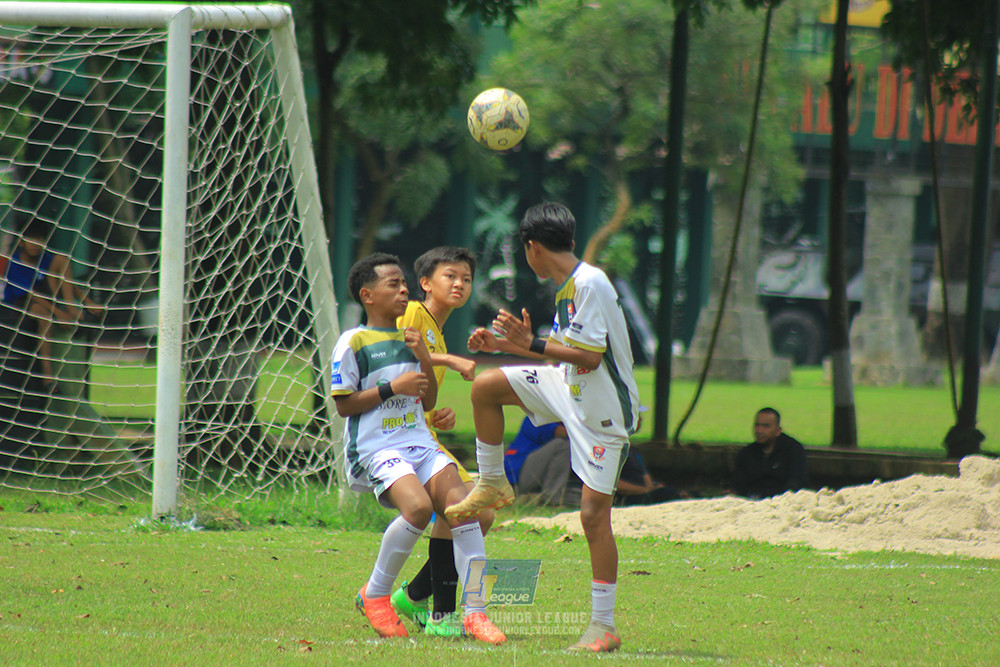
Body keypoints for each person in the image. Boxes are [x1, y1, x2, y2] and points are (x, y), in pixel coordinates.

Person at [445, 202, 640, 653]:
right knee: (487, 386)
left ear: (533, 248)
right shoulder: (567, 287)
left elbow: (590, 357)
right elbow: (563, 353)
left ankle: (604, 626)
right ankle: (492, 482)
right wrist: (505, 346)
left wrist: (528, 341)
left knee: (593, 517)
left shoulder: (590, 283)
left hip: (603, 412)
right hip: (567, 386)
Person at [331, 253, 504, 644]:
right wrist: (393, 387)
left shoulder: (413, 339)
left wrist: (424, 359)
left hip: (419, 442)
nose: (403, 291)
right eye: (393, 284)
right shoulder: (353, 342)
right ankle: (376, 594)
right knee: (419, 508)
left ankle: (476, 613)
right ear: (367, 295)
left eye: (403, 284)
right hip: (378, 447)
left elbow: (427, 400)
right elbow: (343, 405)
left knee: (467, 510)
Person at [388, 246, 495, 638]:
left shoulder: (438, 331)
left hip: (422, 432)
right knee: (467, 512)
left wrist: (434, 416)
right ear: (426, 283)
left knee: (480, 515)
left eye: (466, 278)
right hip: (402, 439)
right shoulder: (415, 312)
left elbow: (416, 388)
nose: (459, 284)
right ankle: (442, 615)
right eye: (450, 276)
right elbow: (397, 353)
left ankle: (413, 597)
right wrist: (449, 361)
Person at [1, 218, 102, 385]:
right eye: (31, 239)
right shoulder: (15, 264)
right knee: (42, 314)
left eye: (40, 239)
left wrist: (87, 301)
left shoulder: (45, 259)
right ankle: (48, 377)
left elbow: (65, 280)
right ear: (20, 241)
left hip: (48, 299)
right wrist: (58, 313)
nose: (35, 243)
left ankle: (73, 311)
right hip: (21, 304)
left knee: (61, 260)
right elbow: (30, 295)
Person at [730, 407, 808, 500]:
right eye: (757, 425)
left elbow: (796, 482)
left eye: (766, 426)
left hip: (782, 501)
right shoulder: (746, 453)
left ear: (778, 431)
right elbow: (738, 485)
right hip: (752, 501)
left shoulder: (793, 450)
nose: (759, 431)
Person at [504, 417, 575, 506]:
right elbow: (561, 432)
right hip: (516, 478)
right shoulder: (535, 417)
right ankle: (551, 500)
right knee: (563, 444)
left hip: (527, 477)